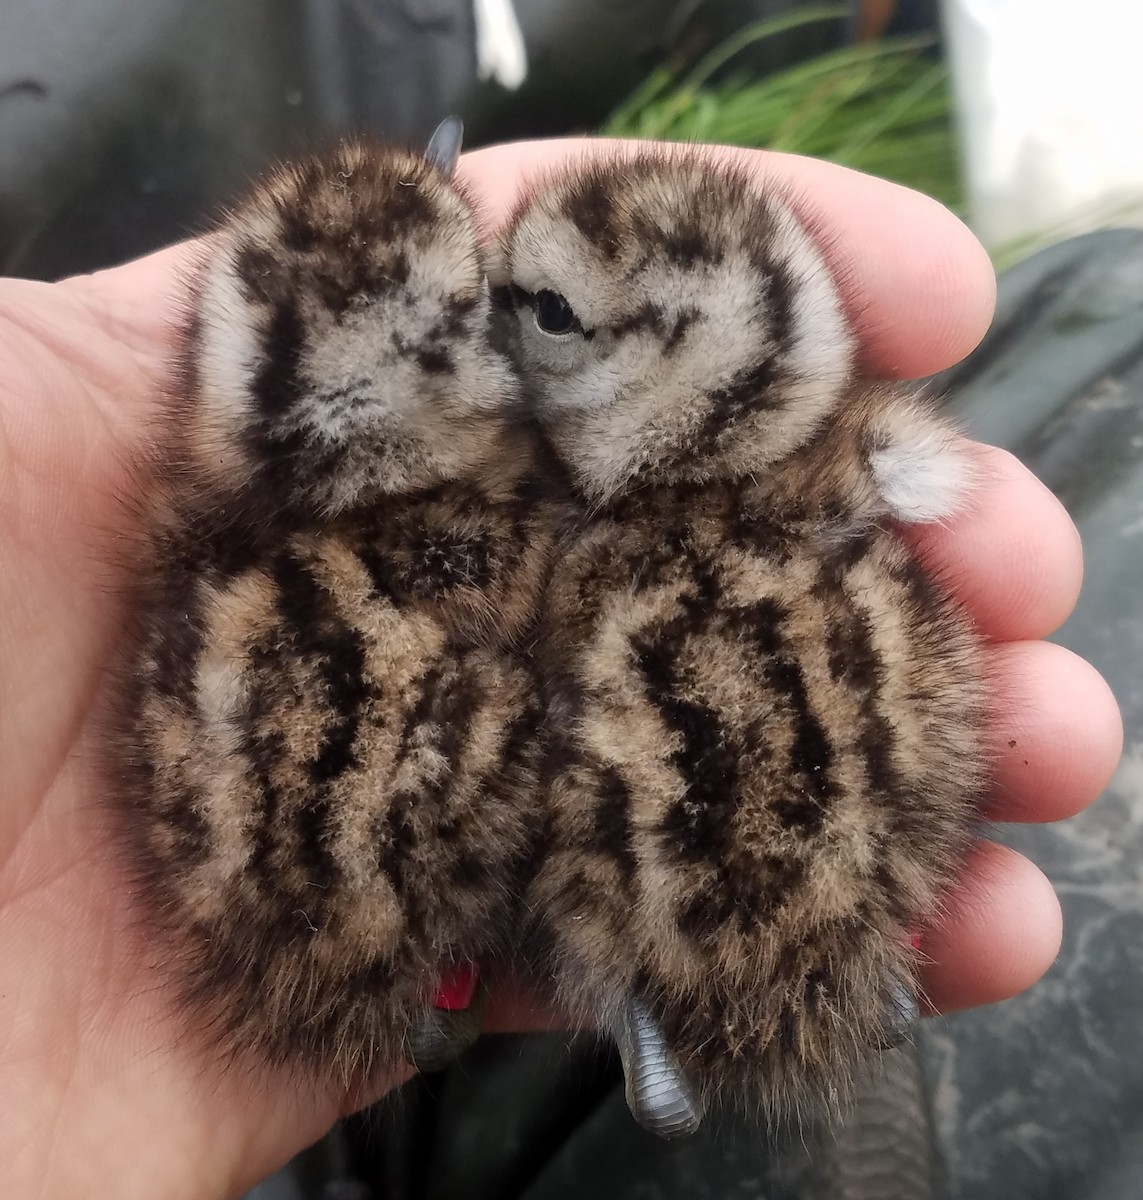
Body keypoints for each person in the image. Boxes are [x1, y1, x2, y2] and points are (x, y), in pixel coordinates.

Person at [0, 139, 1121, 1200]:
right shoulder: (595, 554)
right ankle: (621, 976)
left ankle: (549, 980)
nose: (510, 339)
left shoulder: (274, 560)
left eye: (535, 314)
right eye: (494, 313)